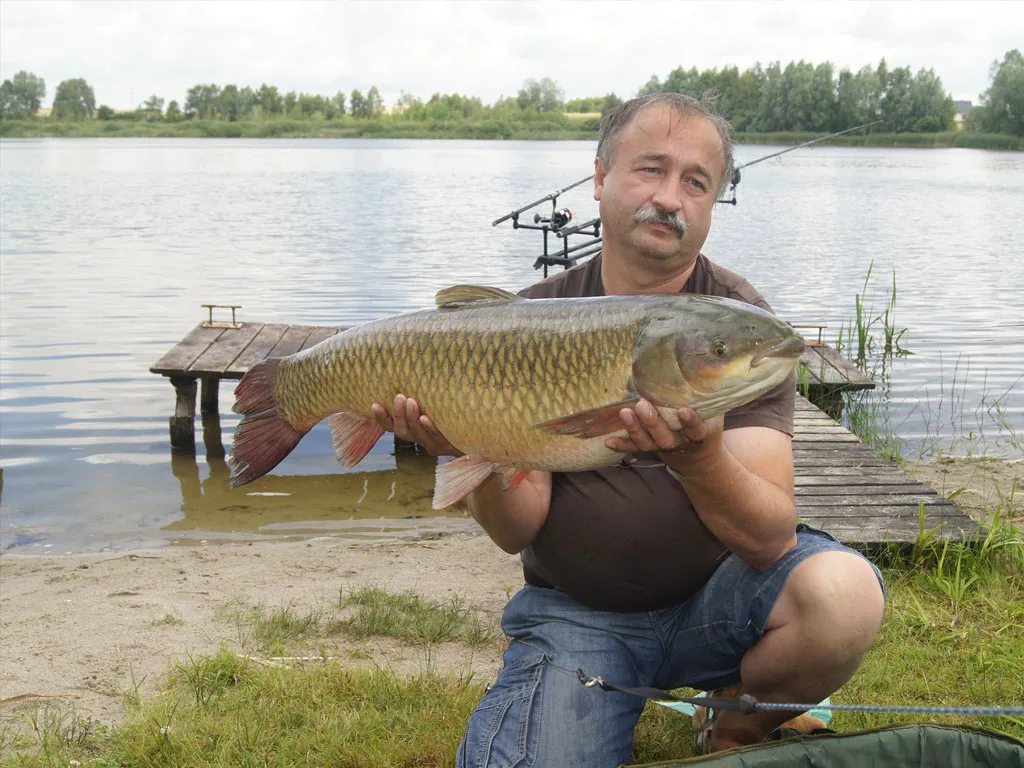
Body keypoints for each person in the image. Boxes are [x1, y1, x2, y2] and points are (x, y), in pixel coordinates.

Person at [371, 93, 886, 766]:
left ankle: (736, 723)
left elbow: (770, 538)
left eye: (696, 182)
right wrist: (472, 444)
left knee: (843, 594)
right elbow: (515, 531)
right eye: (651, 169)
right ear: (600, 177)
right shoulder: (529, 320)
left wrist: (700, 460)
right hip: (579, 614)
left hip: (721, 601)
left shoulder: (740, 331)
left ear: (712, 204)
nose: (670, 198)